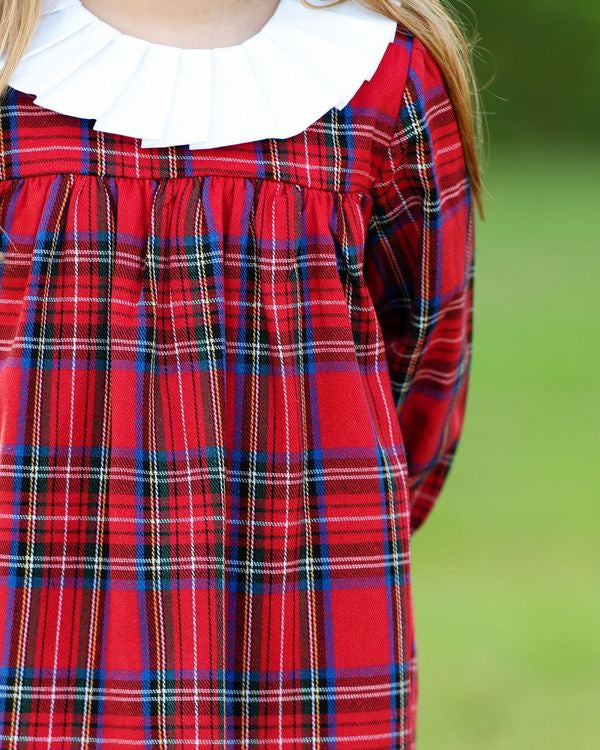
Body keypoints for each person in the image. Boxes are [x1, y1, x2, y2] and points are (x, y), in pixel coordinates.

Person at [0, 0, 484, 746]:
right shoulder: (13, 64)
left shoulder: (384, 77)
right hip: (30, 634)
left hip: (304, 643)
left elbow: (423, 370)